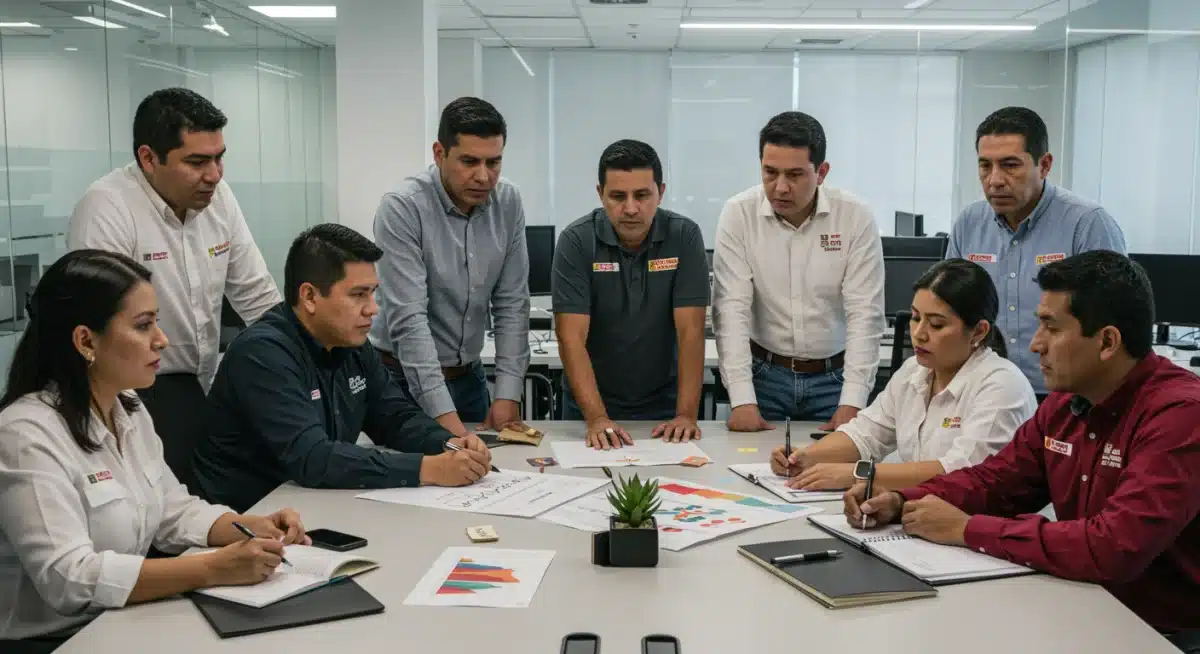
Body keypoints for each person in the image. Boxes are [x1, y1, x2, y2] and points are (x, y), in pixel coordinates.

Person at [845, 251, 1199, 650]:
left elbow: (1112, 546)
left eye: (1051, 328)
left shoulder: (1180, 415)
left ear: (1107, 342)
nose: (1035, 345)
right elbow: (996, 481)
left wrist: (966, 529)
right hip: (1079, 607)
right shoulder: (1066, 405)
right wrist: (899, 500)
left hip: (1159, 636)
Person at [0, 250, 307, 653]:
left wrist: (248, 526)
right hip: (53, 642)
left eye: (156, 322)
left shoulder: (126, 407)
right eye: (144, 326)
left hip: (123, 620)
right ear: (85, 340)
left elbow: (171, 511)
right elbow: (68, 578)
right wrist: (211, 568)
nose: (161, 339)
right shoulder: (25, 435)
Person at [66, 87, 281, 492]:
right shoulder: (107, 207)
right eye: (197, 162)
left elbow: (257, 297)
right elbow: (101, 331)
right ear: (149, 158)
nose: (214, 175)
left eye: (219, 158)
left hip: (199, 385)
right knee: (167, 507)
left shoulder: (217, 197)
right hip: (134, 390)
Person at [193, 224, 493, 513]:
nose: (372, 308)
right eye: (358, 294)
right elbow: (313, 458)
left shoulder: (350, 342)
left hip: (311, 505)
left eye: (373, 293)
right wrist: (428, 468)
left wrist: (447, 443)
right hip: (247, 521)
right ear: (310, 296)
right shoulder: (262, 354)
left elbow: (395, 418)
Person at [768, 259, 1036, 490]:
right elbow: (866, 434)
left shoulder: (1001, 385)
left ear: (978, 331)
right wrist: (806, 457)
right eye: (916, 318)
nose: (918, 333)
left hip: (982, 528)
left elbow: (963, 473)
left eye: (936, 324)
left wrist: (859, 474)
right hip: (925, 516)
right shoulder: (915, 372)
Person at [713, 111, 885, 433]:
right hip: (763, 376)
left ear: (821, 172)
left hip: (835, 379)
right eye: (769, 172)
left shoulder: (854, 216)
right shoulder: (739, 214)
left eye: (794, 175)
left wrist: (853, 400)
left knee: (833, 476)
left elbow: (866, 313)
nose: (779, 188)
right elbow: (731, 310)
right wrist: (741, 399)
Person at [369, 96, 530, 439]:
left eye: (494, 162)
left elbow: (512, 303)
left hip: (468, 377)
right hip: (401, 380)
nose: (484, 176)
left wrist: (507, 393)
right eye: (469, 161)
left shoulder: (509, 202)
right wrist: (445, 419)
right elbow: (408, 320)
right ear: (439, 153)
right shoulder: (403, 208)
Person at [946, 106, 1126, 398]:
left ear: (1044, 165)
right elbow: (949, 309)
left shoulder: (1087, 223)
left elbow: (1114, 321)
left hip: (1066, 396)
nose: (994, 180)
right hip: (986, 394)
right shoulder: (969, 224)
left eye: (1010, 165)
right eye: (985, 166)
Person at [552, 140, 709, 450]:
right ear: (600, 194)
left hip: (664, 408)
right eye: (617, 196)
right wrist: (597, 418)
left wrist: (686, 415)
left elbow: (691, 331)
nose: (631, 208)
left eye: (642, 195)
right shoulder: (576, 241)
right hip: (587, 408)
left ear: (660, 192)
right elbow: (571, 337)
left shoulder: (684, 236)